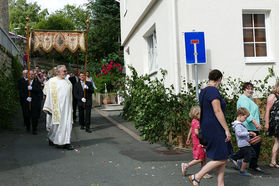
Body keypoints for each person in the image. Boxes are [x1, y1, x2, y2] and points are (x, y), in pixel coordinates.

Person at [188, 69, 233, 186]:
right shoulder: (213, 90)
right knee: (222, 158)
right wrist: (226, 129)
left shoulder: (203, 91)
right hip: (215, 126)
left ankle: (220, 183)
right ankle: (196, 177)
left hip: (207, 125)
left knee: (221, 154)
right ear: (219, 79)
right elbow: (217, 111)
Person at [43, 65, 74, 150]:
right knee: (56, 126)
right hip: (56, 108)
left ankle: (67, 142)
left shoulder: (68, 82)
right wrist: (49, 106)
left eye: (66, 71)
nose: (66, 72)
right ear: (58, 72)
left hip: (67, 108)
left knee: (67, 125)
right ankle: (53, 138)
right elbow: (46, 92)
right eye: (64, 71)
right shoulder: (51, 81)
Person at [237, 82, 264, 173]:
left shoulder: (249, 98)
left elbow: (252, 112)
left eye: (251, 89)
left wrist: (259, 118)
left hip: (252, 126)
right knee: (251, 147)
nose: (250, 90)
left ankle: (252, 165)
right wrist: (256, 122)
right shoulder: (244, 99)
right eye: (248, 89)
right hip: (248, 126)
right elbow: (246, 113)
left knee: (254, 147)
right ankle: (236, 158)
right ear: (244, 90)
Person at [181, 106, 212, 179]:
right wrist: (206, 133)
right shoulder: (197, 122)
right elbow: (196, 132)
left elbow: (191, 129)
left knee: (204, 158)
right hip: (199, 143)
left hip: (198, 142)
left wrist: (188, 138)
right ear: (197, 114)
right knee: (200, 159)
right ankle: (186, 165)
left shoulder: (193, 121)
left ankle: (204, 172)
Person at [229, 107, 256, 176]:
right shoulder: (238, 125)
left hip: (246, 143)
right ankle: (242, 170)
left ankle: (235, 158)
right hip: (243, 144)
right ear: (240, 115)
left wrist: (250, 137)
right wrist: (249, 133)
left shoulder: (240, 124)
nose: (245, 119)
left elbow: (243, 133)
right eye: (245, 117)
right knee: (248, 156)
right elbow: (239, 134)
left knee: (250, 153)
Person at [18, 70, 42, 134]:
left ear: (34, 75)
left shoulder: (37, 82)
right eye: (29, 74)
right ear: (27, 75)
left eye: (32, 74)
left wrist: (32, 88)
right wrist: (26, 98)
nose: (31, 76)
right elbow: (21, 92)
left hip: (34, 102)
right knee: (26, 115)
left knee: (35, 116)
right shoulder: (24, 83)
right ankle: (28, 126)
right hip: (27, 102)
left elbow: (39, 90)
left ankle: (34, 129)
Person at [264, 82, 279, 168]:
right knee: (277, 141)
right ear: (277, 86)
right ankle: (273, 161)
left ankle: (273, 161)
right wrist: (266, 123)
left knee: (277, 142)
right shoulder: (272, 96)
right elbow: (267, 110)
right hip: (276, 122)